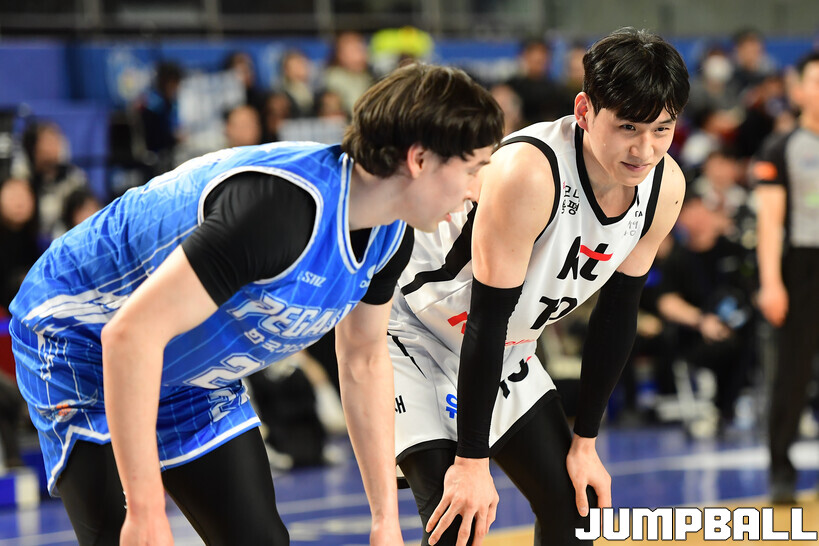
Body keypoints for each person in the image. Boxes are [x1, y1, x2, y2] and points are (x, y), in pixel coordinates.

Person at [9, 63, 504, 545]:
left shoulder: (390, 234)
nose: (474, 191)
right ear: (419, 160)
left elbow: (364, 361)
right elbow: (129, 336)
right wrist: (146, 511)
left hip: (184, 367)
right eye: (472, 168)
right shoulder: (280, 212)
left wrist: (385, 521)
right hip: (81, 337)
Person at [387, 28, 689, 545]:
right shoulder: (529, 171)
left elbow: (617, 314)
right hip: (416, 331)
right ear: (585, 110)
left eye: (662, 129)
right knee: (457, 524)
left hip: (504, 347)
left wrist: (585, 441)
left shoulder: (664, 186)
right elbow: (486, 317)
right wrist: (472, 460)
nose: (645, 149)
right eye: (628, 127)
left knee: (578, 512)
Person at [753, 50, 819, 505]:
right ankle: (781, 470)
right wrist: (772, 282)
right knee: (792, 374)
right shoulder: (782, 147)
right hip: (803, 266)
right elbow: (769, 223)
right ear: (798, 90)